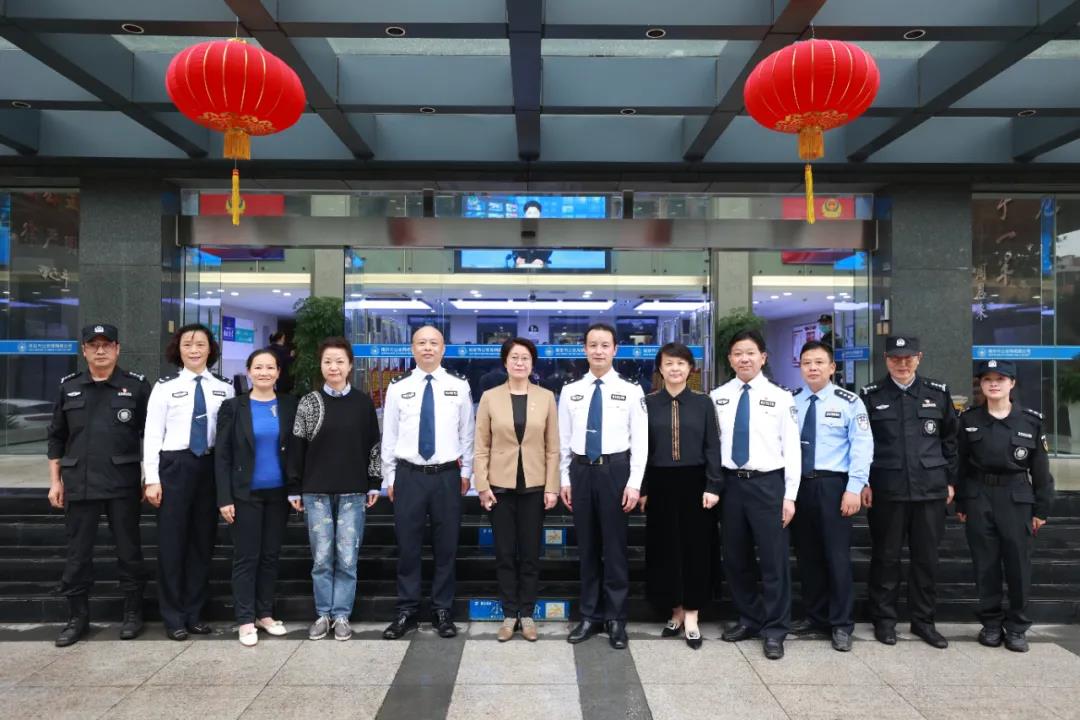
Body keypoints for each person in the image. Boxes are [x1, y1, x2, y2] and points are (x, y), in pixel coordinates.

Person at [46, 323, 151, 647]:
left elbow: (152, 435)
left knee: (129, 552)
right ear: (84, 350)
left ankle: (133, 614)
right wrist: (54, 482)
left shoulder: (136, 387)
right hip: (80, 483)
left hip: (122, 484)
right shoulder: (69, 387)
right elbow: (56, 437)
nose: (100, 350)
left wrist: (150, 477)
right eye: (94, 345)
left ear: (118, 349)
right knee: (77, 555)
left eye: (107, 344)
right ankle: (77, 618)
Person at [860, 335, 959, 649]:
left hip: (929, 491)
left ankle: (924, 621)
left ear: (919, 358)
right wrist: (864, 482)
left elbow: (951, 441)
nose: (902, 364)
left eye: (908, 358)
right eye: (895, 358)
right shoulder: (871, 395)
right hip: (887, 490)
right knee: (886, 558)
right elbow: (862, 444)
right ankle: (884, 620)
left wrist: (951, 481)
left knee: (926, 560)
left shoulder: (937, 394)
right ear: (886, 359)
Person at [709, 329, 800, 660]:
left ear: (763, 357)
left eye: (750, 353)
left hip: (768, 485)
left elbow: (792, 449)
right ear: (730, 359)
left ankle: (775, 629)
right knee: (736, 558)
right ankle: (749, 618)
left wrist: (790, 495)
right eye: (737, 353)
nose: (744, 359)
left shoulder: (781, 397)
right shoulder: (717, 396)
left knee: (774, 561)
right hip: (730, 485)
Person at [381, 325, 474, 640]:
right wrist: (390, 476)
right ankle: (406, 610)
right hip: (409, 476)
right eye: (421, 343)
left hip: (447, 476)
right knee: (408, 547)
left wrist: (466, 473)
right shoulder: (399, 387)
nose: (428, 348)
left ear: (443, 349)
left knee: (446, 547)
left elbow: (467, 434)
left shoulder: (459, 385)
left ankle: (442, 610)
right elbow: (390, 435)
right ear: (413, 348)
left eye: (434, 343)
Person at [559, 323, 647, 650]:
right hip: (581, 471)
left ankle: (616, 618)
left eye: (604, 345)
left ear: (615, 350)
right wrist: (564, 478)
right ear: (584, 350)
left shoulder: (631, 390)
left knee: (615, 548)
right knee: (587, 548)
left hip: (615, 471)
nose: (598, 351)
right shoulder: (571, 390)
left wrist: (634, 484)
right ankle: (590, 615)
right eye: (593, 345)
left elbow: (641, 442)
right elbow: (563, 440)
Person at [143, 323, 235, 640]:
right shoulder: (164, 387)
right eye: (187, 344)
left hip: (209, 467)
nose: (194, 350)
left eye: (200, 344)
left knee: (201, 543)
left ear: (210, 349)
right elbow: (152, 434)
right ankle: (173, 617)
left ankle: (194, 613)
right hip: (175, 467)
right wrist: (151, 478)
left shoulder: (224, 388)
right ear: (178, 349)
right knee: (172, 545)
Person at [956, 359, 1054, 652]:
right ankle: (990, 624)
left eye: (1000, 379)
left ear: (1012, 383)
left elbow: (1041, 470)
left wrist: (1042, 509)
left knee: (1018, 565)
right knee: (985, 564)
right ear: (982, 385)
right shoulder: (969, 420)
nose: (994, 384)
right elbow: (960, 465)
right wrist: (962, 501)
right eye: (987, 380)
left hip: (1016, 497)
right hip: (979, 496)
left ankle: (1017, 627)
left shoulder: (1030, 421)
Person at [288, 337, 381, 641]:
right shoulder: (309, 402)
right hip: (315, 491)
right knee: (321, 558)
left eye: (340, 361)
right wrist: (294, 487)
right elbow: (296, 448)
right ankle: (322, 614)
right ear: (321, 365)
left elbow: (374, 446)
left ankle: (341, 614)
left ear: (350, 365)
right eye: (328, 361)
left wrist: (374, 483)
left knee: (347, 557)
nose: (334, 367)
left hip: (353, 491)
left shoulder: (363, 403)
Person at [474, 337, 560, 642]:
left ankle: (528, 613)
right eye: (514, 357)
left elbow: (553, 447)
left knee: (531, 555)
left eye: (525, 358)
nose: (520, 362)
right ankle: (510, 614)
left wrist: (552, 487)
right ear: (505, 362)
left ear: (532, 363)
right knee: (505, 554)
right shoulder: (490, 397)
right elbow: (481, 445)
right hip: (500, 487)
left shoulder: (546, 397)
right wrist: (482, 485)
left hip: (535, 487)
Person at [789, 341, 873, 652]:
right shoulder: (791, 401)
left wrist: (854, 487)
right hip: (799, 487)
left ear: (832, 367)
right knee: (807, 555)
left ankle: (841, 623)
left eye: (819, 362)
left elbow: (862, 446)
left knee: (836, 557)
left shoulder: (850, 402)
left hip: (833, 485)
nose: (812, 367)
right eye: (807, 362)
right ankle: (815, 616)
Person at [638, 342, 722, 650]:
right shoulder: (647, 403)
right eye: (669, 363)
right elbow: (641, 450)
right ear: (660, 369)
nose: (675, 368)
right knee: (665, 549)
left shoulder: (703, 403)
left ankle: (692, 614)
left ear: (690, 368)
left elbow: (713, 446)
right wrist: (644, 488)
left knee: (696, 549)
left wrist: (713, 485)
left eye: (681, 363)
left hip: (695, 483)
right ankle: (673, 610)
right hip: (660, 483)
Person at [215, 348, 299, 646]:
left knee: (270, 556)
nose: (264, 372)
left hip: (278, 494)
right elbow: (222, 456)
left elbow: (297, 450)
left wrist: (296, 488)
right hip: (244, 494)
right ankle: (245, 619)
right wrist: (224, 498)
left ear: (278, 372)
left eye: (270, 367)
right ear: (249, 371)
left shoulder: (289, 405)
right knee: (247, 557)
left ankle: (264, 614)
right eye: (258, 367)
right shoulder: (233, 407)